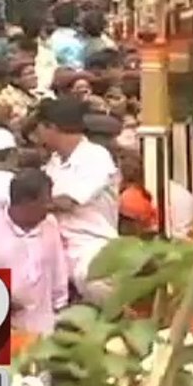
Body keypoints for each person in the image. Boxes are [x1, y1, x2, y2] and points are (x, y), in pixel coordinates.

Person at [37, 97, 118, 301]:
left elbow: (68, 202)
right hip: (55, 247)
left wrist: (30, 204)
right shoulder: (54, 161)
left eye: (39, 128)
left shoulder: (95, 156)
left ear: (51, 128)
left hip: (91, 245)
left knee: (97, 286)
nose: (36, 135)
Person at [0, 168, 68, 334]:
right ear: (27, 202)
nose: (50, 206)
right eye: (45, 201)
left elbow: (59, 273)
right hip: (0, 331)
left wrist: (61, 311)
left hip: (44, 330)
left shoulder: (50, 224)